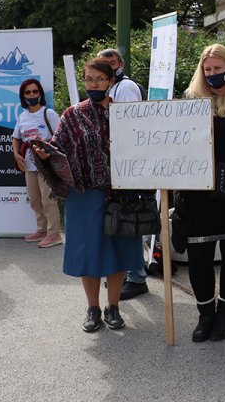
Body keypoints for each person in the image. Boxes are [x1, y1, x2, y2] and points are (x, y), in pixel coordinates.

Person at [34, 59, 143, 332]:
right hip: (84, 195)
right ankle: (93, 309)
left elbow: (141, 149)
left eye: (99, 79)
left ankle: (113, 307)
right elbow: (57, 146)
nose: (93, 85)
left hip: (119, 195)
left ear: (111, 81)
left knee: (118, 252)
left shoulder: (126, 115)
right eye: (88, 79)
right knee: (88, 254)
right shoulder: (72, 115)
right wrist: (45, 153)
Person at [174, 44, 225, 343]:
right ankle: (205, 314)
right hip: (199, 194)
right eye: (207, 70)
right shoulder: (192, 100)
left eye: (217, 69)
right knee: (199, 256)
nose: (212, 75)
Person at [97, 48, 148, 300]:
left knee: (128, 219)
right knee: (121, 220)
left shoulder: (125, 88)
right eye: (103, 64)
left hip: (126, 162)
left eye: (112, 62)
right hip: (116, 162)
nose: (109, 67)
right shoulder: (109, 89)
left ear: (121, 64)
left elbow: (127, 126)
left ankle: (136, 276)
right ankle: (131, 273)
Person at [12, 78, 61, 248]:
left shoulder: (49, 114)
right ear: (23, 96)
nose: (32, 95)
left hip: (46, 162)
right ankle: (41, 230)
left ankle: (54, 234)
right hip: (29, 163)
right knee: (34, 199)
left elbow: (60, 137)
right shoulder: (23, 116)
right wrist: (16, 154)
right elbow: (16, 137)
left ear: (40, 94)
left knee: (48, 200)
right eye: (28, 92)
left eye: (35, 91)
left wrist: (48, 153)